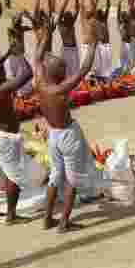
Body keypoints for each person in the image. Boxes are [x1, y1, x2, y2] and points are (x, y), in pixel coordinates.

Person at [36, 16, 98, 232]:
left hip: (53, 135)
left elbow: (37, 57)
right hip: (68, 135)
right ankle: (63, 223)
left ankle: (47, 219)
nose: (66, 73)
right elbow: (84, 68)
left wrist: (47, 35)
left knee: (55, 175)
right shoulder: (60, 89)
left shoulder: (41, 84)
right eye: (63, 71)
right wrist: (93, 43)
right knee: (73, 179)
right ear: (59, 74)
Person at [0, 53, 34, 223]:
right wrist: (19, 53)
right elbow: (27, 73)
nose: (5, 74)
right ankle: (11, 215)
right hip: (5, 138)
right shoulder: (1, 89)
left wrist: (4, 56)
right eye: (2, 71)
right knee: (14, 176)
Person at [57, 0, 81, 78]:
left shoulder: (69, 24)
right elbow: (61, 10)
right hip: (66, 50)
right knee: (67, 71)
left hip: (73, 49)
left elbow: (77, 9)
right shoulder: (62, 25)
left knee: (75, 71)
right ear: (65, 18)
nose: (71, 17)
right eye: (70, 16)